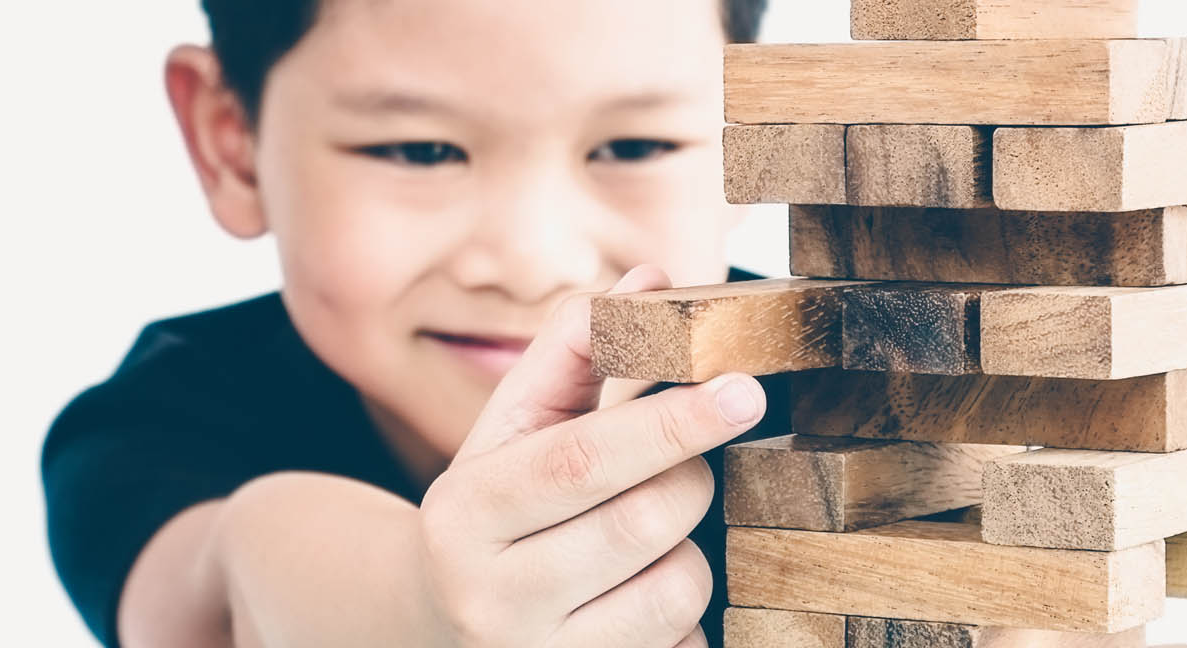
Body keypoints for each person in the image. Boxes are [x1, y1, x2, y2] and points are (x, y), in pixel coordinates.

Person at [41, 0, 787, 646]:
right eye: (421, 151)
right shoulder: (162, 423)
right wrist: (422, 608)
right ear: (231, 144)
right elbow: (223, 595)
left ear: (756, 134)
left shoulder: (862, 390)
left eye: (635, 146)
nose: (531, 262)